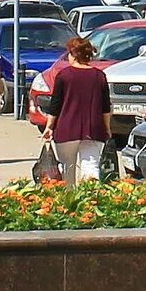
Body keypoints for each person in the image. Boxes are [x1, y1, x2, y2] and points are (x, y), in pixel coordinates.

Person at [44, 34, 113, 182]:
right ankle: (90, 200)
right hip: (94, 129)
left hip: (66, 128)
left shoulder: (64, 76)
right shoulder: (99, 76)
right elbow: (105, 106)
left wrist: (49, 126)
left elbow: (55, 104)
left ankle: (69, 201)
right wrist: (107, 128)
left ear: (74, 55)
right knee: (91, 167)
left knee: (67, 168)